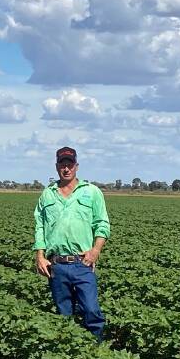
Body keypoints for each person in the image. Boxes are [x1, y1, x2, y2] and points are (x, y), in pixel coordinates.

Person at [32, 146, 111, 341]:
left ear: (76, 166)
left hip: (82, 262)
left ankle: (96, 350)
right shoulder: (47, 194)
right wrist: (40, 256)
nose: (66, 168)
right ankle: (70, 349)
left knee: (91, 311)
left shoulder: (91, 192)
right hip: (56, 265)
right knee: (64, 314)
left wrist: (95, 250)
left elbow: (102, 224)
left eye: (70, 164)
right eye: (62, 164)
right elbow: (40, 226)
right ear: (56, 166)